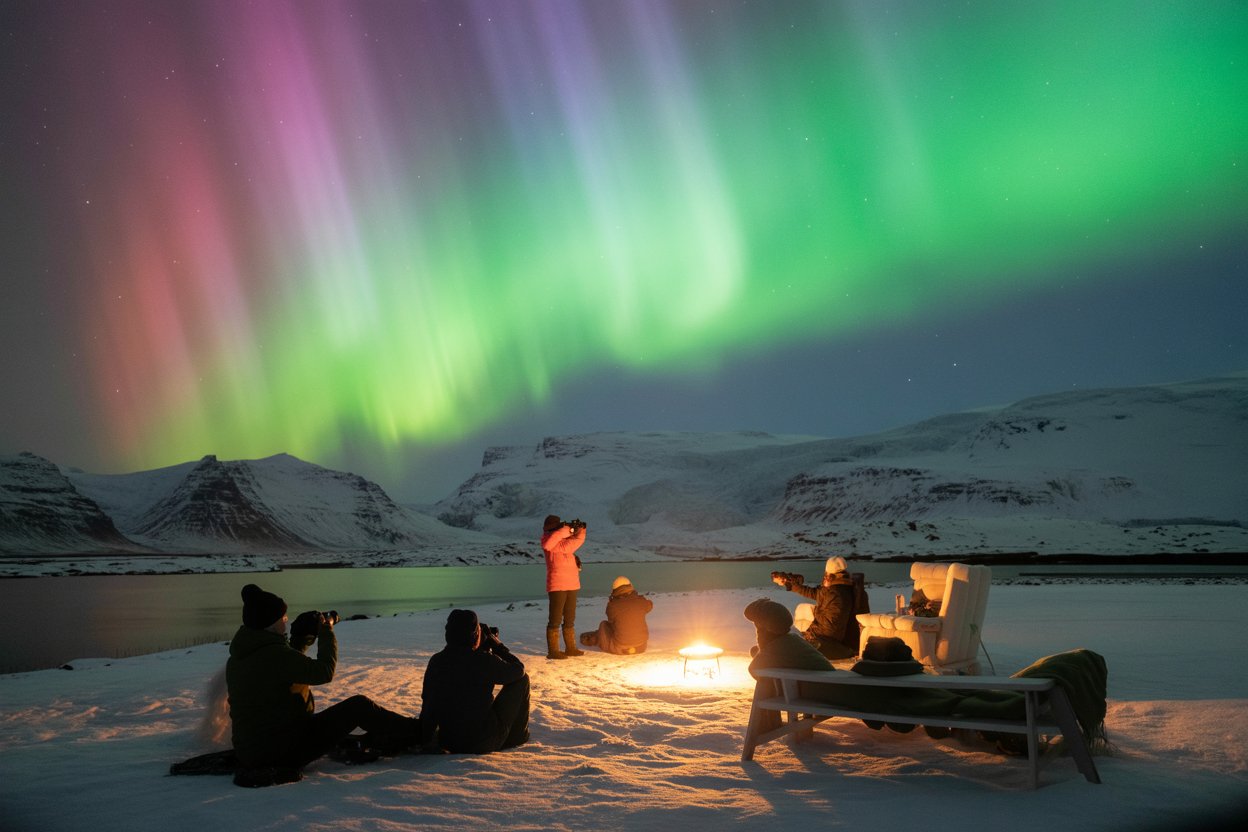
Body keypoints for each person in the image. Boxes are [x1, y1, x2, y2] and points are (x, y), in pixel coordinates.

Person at [225, 584, 419, 787]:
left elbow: (282, 673)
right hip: (282, 750)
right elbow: (323, 672)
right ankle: (418, 733)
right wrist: (326, 630)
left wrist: (300, 641)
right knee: (358, 707)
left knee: (333, 726)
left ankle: (388, 736)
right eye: (283, 618)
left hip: (252, 749)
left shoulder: (241, 656)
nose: (286, 621)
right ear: (271, 625)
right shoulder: (276, 655)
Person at [419, 609, 530, 754]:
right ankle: (517, 737)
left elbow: (428, 703)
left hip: (448, 741)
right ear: (475, 634)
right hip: (481, 742)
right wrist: (497, 646)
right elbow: (518, 669)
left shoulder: (437, 661)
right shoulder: (483, 661)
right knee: (522, 680)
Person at [772, 556, 862, 660]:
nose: (824, 577)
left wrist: (810, 634)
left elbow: (831, 628)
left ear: (829, 572)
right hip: (821, 636)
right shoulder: (835, 587)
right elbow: (814, 593)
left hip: (826, 641)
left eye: (826, 574)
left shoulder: (837, 593)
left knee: (794, 644)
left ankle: (776, 654)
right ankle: (774, 650)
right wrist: (790, 584)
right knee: (791, 640)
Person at [541, 514, 586, 659]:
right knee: (555, 619)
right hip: (557, 584)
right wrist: (566, 530)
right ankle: (553, 651)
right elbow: (549, 544)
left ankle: (570, 648)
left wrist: (581, 530)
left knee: (569, 618)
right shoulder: (548, 541)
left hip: (572, 584)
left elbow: (578, 540)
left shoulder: (564, 543)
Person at [579, 576, 653, 654]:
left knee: (604, 625)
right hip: (641, 646)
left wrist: (612, 601)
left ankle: (594, 639)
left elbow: (611, 621)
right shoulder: (640, 601)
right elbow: (650, 605)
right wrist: (639, 599)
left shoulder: (613, 606)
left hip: (620, 648)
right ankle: (595, 637)